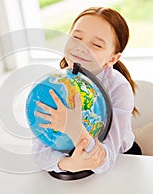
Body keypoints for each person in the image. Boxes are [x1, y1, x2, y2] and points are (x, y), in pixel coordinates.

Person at [32, 6, 142, 174]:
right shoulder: (55, 84)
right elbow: (39, 150)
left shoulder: (119, 88)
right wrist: (68, 164)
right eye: (76, 37)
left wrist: (74, 128)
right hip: (70, 154)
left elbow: (106, 159)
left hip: (122, 159)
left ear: (112, 58)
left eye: (96, 44)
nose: (81, 48)